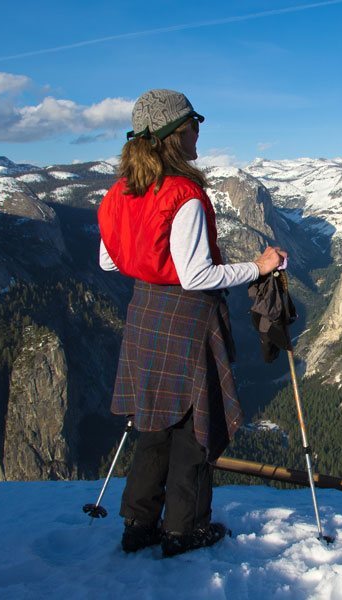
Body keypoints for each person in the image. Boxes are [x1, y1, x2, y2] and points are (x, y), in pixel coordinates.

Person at [97, 89, 285, 558]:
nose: (200, 131)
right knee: (193, 431)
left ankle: (138, 524)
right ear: (177, 134)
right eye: (195, 122)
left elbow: (108, 261)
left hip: (144, 312)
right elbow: (196, 275)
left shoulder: (121, 192)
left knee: (153, 423)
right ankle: (184, 529)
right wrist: (259, 268)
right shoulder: (184, 196)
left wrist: (151, 265)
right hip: (186, 316)